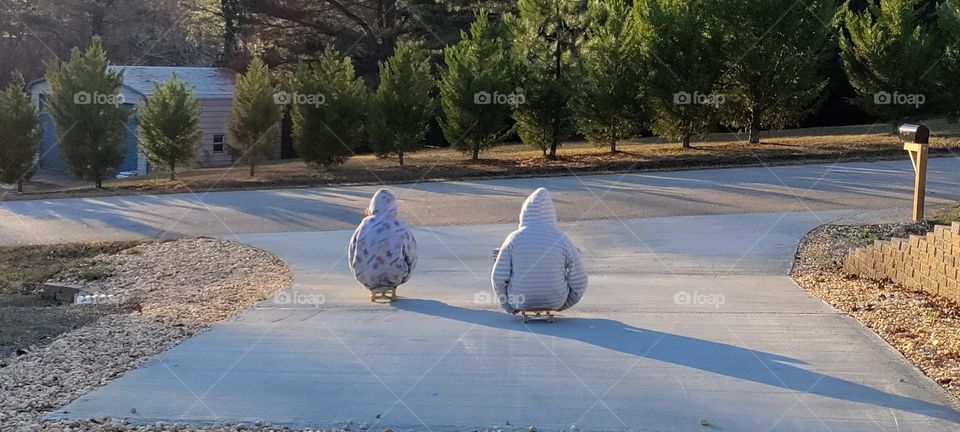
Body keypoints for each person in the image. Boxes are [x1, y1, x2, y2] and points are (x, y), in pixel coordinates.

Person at [491, 188, 588, 314]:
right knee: (574, 254)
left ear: (524, 214)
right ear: (551, 214)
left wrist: (509, 306)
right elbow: (580, 279)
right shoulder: (562, 238)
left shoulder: (513, 238)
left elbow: (498, 278)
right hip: (556, 300)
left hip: (519, 300)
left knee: (499, 255)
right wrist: (563, 304)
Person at [348, 189, 417, 296]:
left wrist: (356, 270)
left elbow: (352, 250)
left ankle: (370, 282)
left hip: (365, 275)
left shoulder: (364, 224)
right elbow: (411, 253)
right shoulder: (400, 226)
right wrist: (406, 274)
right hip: (395, 274)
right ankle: (392, 282)